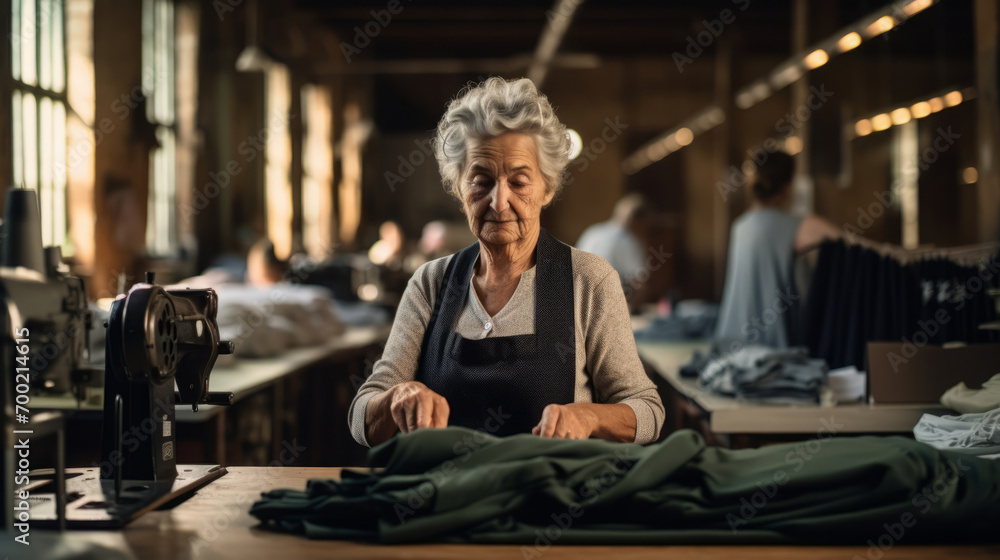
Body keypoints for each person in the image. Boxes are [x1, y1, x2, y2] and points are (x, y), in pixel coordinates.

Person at [349, 77, 664, 447]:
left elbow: (648, 411)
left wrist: (590, 415)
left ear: (547, 188)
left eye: (519, 182)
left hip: (551, 500)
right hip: (448, 498)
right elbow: (361, 419)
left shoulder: (588, 280)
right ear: (459, 187)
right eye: (481, 181)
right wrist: (393, 400)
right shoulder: (431, 283)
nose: (499, 202)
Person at [715, 151, 841, 347]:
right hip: (773, 349)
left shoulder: (739, 226)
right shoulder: (797, 226)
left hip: (732, 342)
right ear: (788, 187)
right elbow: (851, 244)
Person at [576, 192, 653, 308]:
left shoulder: (592, 232)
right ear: (640, 221)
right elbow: (640, 284)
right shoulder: (628, 240)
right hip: (608, 309)